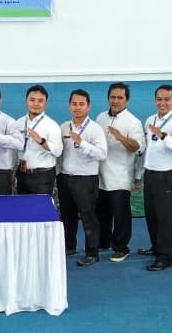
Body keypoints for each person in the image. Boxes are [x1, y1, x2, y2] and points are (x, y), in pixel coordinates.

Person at [138, 84, 172, 271]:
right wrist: (139, 174)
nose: (162, 103)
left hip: (168, 175)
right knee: (152, 215)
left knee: (166, 218)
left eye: (167, 99)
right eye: (159, 99)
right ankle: (156, 247)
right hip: (151, 173)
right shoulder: (150, 120)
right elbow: (148, 149)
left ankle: (165, 257)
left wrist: (164, 136)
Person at [58, 89, 108, 267]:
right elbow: (60, 154)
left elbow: (102, 154)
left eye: (81, 104)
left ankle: (92, 253)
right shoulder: (64, 127)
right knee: (67, 216)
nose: (77, 107)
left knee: (88, 217)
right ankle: (69, 246)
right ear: (69, 105)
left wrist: (82, 143)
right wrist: (59, 173)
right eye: (74, 104)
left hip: (86, 179)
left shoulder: (95, 129)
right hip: (65, 177)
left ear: (88, 106)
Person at [95, 82, 144, 263]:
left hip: (120, 176)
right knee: (102, 213)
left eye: (120, 98)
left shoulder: (133, 122)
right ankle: (103, 242)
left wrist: (121, 137)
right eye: (112, 97)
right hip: (100, 175)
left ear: (127, 100)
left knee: (121, 215)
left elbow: (138, 148)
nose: (115, 101)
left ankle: (121, 248)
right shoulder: (100, 117)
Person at [15, 85, 62, 195]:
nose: (36, 104)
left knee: (40, 206)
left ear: (46, 103)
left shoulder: (52, 125)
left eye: (40, 101)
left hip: (42, 177)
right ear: (26, 101)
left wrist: (42, 141)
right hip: (21, 174)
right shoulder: (18, 123)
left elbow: (58, 151)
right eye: (32, 100)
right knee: (22, 205)